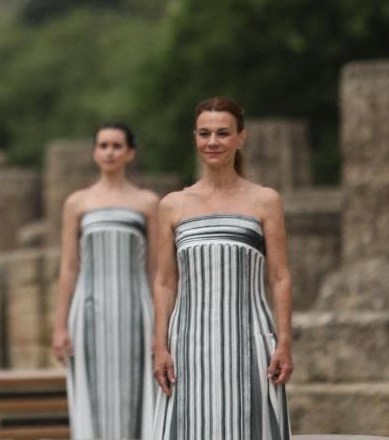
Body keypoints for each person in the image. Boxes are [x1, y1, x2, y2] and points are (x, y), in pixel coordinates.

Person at [151, 98, 293, 439]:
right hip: (188, 342)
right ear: (195, 138)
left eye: (223, 133)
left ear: (241, 137)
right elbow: (165, 281)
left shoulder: (265, 200)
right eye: (205, 133)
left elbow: (280, 277)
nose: (213, 141)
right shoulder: (172, 205)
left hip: (251, 338)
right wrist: (160, 344)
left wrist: (284, 341)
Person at [51, 123, 159, 440]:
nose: (109, 152)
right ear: (95, 152)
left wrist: (163, 324)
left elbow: (157, 270)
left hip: (136, 311)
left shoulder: (148, 202)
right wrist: (60, 326)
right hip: (88, 312)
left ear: (130, 153)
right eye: (103, 145)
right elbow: (69, 267)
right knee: (91, 391)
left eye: (116, 145)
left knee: (139, 391)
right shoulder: (77, 203)